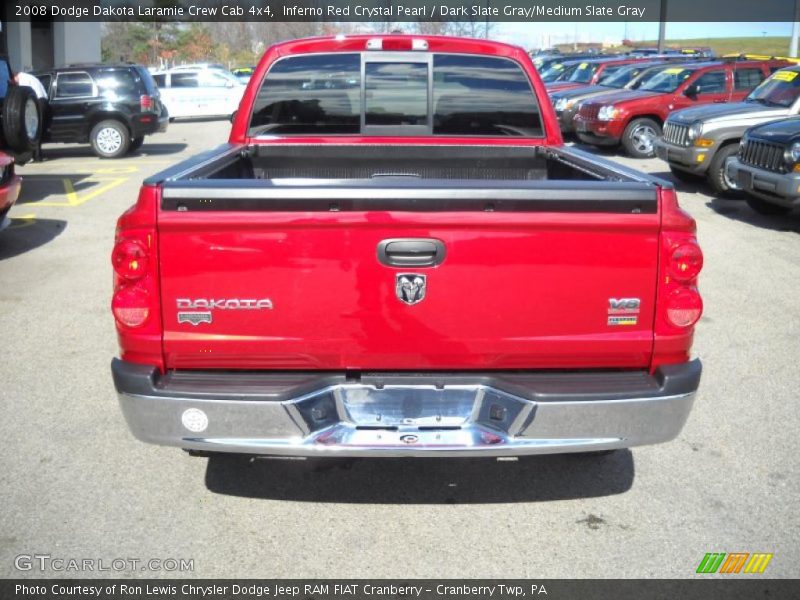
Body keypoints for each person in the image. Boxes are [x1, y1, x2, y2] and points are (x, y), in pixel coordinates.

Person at [14, 69, 48, 161]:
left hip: (38, 102)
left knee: (32, 131)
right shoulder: (29, 77)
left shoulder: (23, 80)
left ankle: (35, 156)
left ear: (15, 76)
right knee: (37, 130)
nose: (14, 83)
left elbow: (24, 94)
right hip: (43, 100)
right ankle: (37, 155)